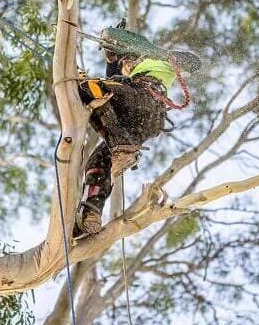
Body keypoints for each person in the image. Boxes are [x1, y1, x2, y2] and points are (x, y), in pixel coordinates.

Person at [74, 46, 186, 236]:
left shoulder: (159, 65)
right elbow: (115, 79)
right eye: (124, 63)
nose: (127, 64)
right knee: (98, 161)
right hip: (131, 127)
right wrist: (111, 58)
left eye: (129, 61)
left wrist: (168, 56)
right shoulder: (128, 76)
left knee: (88, 87)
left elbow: (193, 62)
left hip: (146, 100)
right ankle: (90, 213)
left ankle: (122, 148)